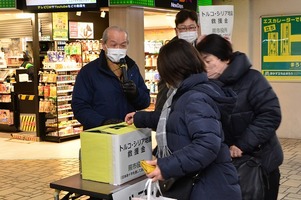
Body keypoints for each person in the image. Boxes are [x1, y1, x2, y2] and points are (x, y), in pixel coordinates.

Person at [125, 39, 241, 200]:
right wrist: (140, 118)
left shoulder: (195, 97)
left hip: (209, 187)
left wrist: (165, 167)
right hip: (203, 183)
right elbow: (175, 119)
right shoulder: (186, 93)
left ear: (173, 69)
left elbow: (207, 145)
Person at [196, 34, 283, 200]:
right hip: (230, 165)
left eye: (207, 61)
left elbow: (271, 114)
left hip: (262, 163)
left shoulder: (253, 79)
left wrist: (242, 144)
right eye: (200, 63)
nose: (204, 67)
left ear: (225, 58)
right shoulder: (207, 86)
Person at [71, 26, 150, 130]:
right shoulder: (89, 72)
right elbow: (79, 107)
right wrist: (102, 122)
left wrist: (136, 93)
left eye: (123, 45)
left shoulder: (132, 68)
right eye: (113, 45)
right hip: (100, 135)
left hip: (128, 132)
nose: (118, 49)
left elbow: (145, 102)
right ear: (104, 45)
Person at [155, 9, 202, 111]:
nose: (188, 32)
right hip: (175, 101)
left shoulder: (204, 48)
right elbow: (164, 85)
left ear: (197, 28)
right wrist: (159, 112)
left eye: (191, 28)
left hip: (198, 99)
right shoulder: (168, 52)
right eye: (183, 29)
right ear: (176, 30)